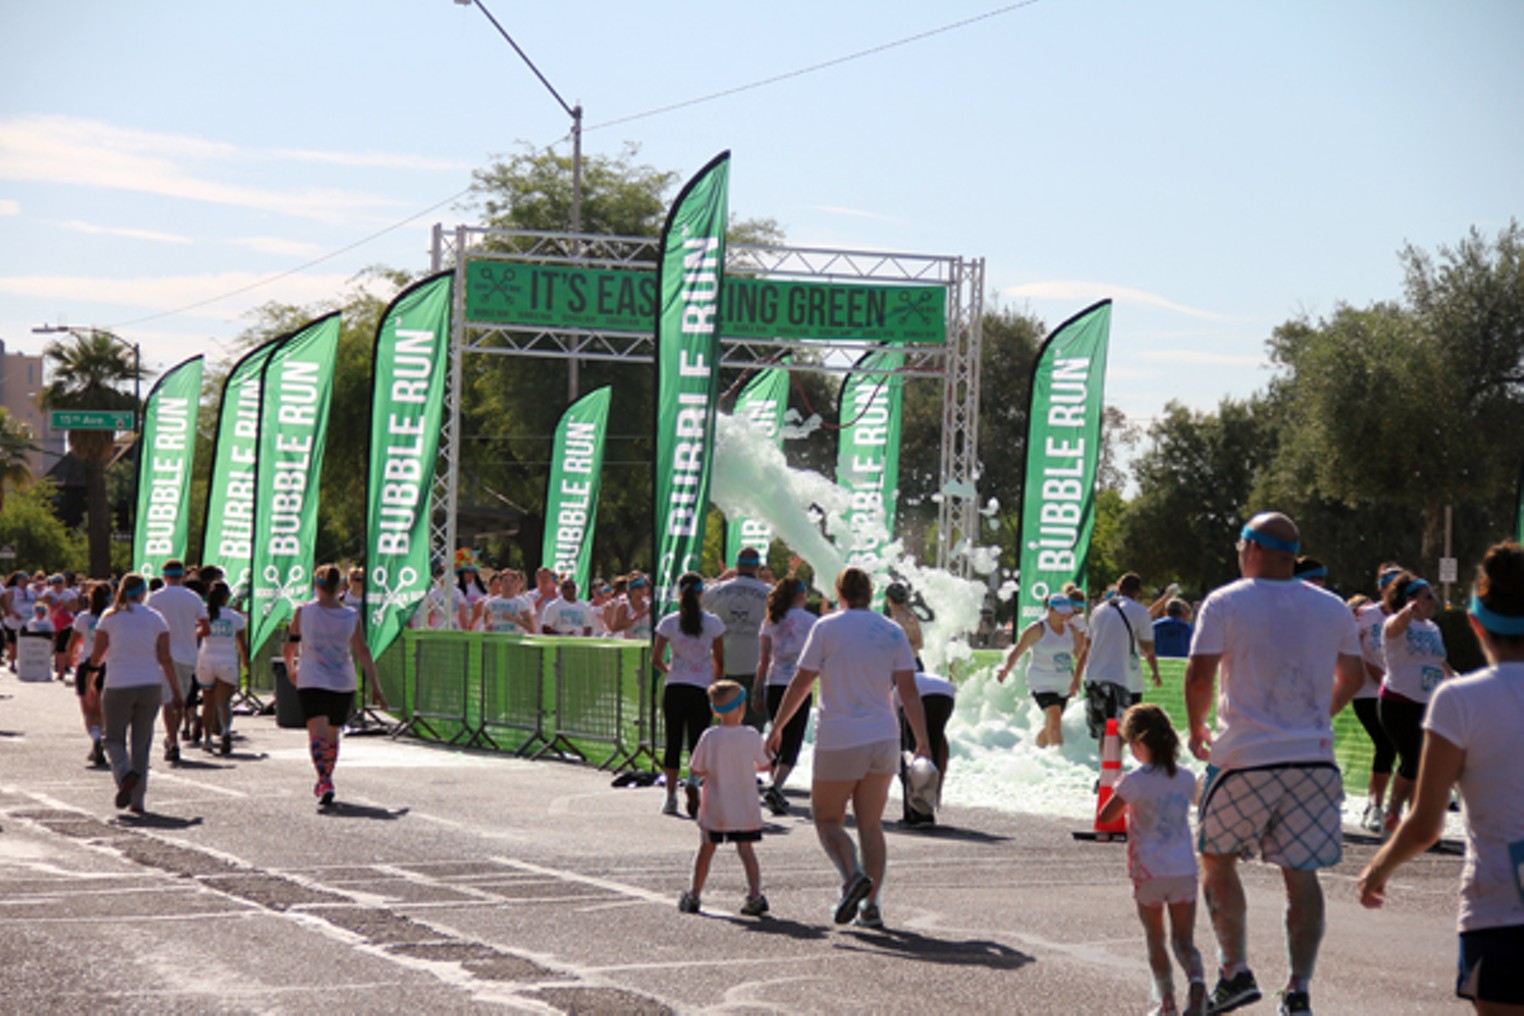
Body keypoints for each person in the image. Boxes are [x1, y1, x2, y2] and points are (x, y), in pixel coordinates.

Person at [1184, 513, 1364, 1016]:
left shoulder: (1225, 601)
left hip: (1244, 757)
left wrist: (1198, 727)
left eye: (1240, 544)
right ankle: (1299, 989)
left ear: (1254, 549)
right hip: (1312, 760)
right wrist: (1317, 714)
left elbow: (1200, 672)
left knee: (1217, 859)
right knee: (1301, 874)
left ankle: (1234, 971)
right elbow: (1353, 673)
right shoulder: (1331, 608)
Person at [1357, 541, 1524, 1015]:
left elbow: (1427, 822)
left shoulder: (1459, 701)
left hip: (1498, 910)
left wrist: (1378, 870)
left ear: (1475, 623)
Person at [768, 566, 930, 930]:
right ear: (871, 594)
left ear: (839, 592)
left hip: (840, 735)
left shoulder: (826, 627)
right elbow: (907, 690)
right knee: (871, 825)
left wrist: (777, 727)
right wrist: (921, 741)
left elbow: (802, 681)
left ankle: (852, 876)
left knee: (827, 819)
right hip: (883, 737)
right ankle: (871, 907)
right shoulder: (891, 630)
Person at [1097, 704, 1206, 1016]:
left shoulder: (1134, 780)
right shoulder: (1185, 777)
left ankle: (1168, 1003)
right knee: (1184, 940)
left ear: (1139, 743)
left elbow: (1106, 816)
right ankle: (1197, 981)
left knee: (1155, 939)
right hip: (1184, 869)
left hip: (1149, 872)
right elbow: (1198, 800)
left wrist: (1123, 795)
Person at [283, 564, 381, 808]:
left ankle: (324, 779)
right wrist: (375, 686)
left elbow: (290, 644)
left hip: (312, 678)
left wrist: (290, 668)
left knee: (316, 732)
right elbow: (363, 651)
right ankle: (327, 776)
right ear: (340, 587)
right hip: (342, 680)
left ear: (316, 585)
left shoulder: (303, 612)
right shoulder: (350, 616)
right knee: (332, 734)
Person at [88, 573, 185, 815]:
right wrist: (175, 689)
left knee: (112, 739)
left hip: (118, 683)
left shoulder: (109, 617)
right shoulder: (156, 618)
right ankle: (137, 800)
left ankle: (124, 774)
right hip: (150, 684)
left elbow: (97, 655)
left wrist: (90, 679)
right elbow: (165, 658)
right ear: (143, 593)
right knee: (141, 743)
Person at [678, 680, 772, 917]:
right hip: (744, 806)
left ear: (713, 710)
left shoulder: (710, 737)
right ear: (741, 708)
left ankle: (694, 894)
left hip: (716, 806)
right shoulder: (751, 735)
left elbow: (697, 769)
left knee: (706, 849)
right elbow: (764, 765)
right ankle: (754, 894)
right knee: (746, 850)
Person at [1378, 569, 1453, 834]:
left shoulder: (1433, 628)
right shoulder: (1395, 623)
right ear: (1411, 600)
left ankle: (1416, 822)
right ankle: (1393, 812)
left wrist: (1453, 678)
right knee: (1413, 758)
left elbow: (1437, 659)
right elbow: (1395, 626)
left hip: (1428, 703)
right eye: (1427, 596)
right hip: (1398, 702)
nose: (1434, 601)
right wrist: (1408, 611)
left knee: (1426, 763)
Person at [653, 572, 726, 817]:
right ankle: (693, 782)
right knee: (698, 742)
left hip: (675, 686)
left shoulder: (669, 622)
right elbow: (719, 660)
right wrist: (714, 684)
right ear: (701, 593)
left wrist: (669, 670)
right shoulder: (713, 623)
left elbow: (656, 658)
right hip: (701, 687)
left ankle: (671, 795)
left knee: (673, 741)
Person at [755, 576, 816, 814]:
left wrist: (757, 690)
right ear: (801, 595)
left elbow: (763, 660)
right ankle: (776, 786)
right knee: (793, 738)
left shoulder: (771, 621)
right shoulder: (812, 621)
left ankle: (775, 787)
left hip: (775, 683)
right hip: (799, 683)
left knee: (778, 735)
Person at [1350, 563, 1403, 832]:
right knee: (1385, 742)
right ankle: (1375, 807)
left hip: (1403, 692)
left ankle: (1397, 809)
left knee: (1409, 749)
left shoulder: (1412, 617)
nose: (1390, 588)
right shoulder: (1365, 615)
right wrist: (1374, 673)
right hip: (1368, 691)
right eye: (1385, 582)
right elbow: (1349, 647)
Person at [997, 592, 1084, 748]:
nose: (1065, 616)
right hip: (1041, 682)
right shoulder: (1037, 629)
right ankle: (1059, 761)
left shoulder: (1072, 630)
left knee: (1052, 724)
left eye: (1067, 612)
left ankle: (1038, 751)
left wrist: (1077, 679)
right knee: (1055, 719)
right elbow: (1018, 651)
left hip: (1063, 683)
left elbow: (1079, 655)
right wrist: (1005, 669)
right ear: (1050, 610)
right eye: (1061, 613)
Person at [1084, 572, 1160, 739]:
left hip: (1094, 678)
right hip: (1121, 680)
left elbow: (1087, 645)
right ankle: (1117, 764)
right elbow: (1148, 648)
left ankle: (1105, 764)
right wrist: (1155, 670)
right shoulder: (1140, 612)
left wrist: (1077, 678)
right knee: (1124, 731)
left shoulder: (1097, 610)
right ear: (1139, 591)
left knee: (1104, 733)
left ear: (1118, 588)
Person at [145, 559, 207, 762]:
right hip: (187, 654)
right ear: (182, 576)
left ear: (164, 576)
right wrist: (193, 634)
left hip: (162, 654)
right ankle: (173, 737)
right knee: (179, 699)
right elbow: (205, 627)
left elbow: (148, 624)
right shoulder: (193, 597)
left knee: (169, 700)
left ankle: (172, 740)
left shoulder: (155, 598)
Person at [702, 547, 772, 728]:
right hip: (756, 665)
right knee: (754, 725)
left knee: (727, 722)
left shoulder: (719, 590)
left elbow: (698, 598)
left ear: (737, 565)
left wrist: (720, 579)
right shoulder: (769, 593)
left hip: (727, 664)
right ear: (757, 567)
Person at [195, 580, 248, 756]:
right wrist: (245, 663)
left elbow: (198, 638)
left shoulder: (205, 615)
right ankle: (225, 730)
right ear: (226, 598)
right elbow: (242, 643)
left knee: (207, 702)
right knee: (223, 703)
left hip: (206, 659)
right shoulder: (235, 618)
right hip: (227, 660)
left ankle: (208, 739)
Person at [898, 670, 955, 826]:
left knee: (907, 753)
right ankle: (928, 808)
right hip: (946, 693)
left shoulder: (892, 689)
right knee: (931, 747)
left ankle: (915, 814)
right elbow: (942, 746)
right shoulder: (908, 675)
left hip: (918, 695)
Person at [69, 582, 111, 767]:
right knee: (102, 707)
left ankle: (95, 738)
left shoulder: (84, 617)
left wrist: (70, 659)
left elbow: (72, 641)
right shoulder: (112, 616)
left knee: (87, 707)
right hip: (107, 663)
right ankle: (102, 737)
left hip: (86, 661)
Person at [883, 582, 926, 671]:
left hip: (905, 666)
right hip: (913, 662)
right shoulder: (911, 617)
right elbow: (920, 644)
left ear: (888, 599)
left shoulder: (898, 621)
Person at [478, 570, 536, 635]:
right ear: (500, 583)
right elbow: (485, 618)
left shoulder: (521, 602)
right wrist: (488, 625)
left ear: (515, 584)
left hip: (514, 640)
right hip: (498, 639)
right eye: (505, 581)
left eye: (511, 581)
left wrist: (513, 618)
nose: (508, 584)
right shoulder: (491, 602)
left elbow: (529, 625)